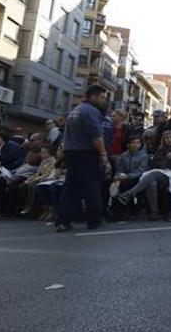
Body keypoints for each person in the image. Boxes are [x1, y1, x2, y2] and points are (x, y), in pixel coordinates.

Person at [56, 85, 111, 232]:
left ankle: (63, 220)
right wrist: (103, 154)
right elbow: (96, 136)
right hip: (86, 153)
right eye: (102, 97)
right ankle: (95, 220)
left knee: (71, 187)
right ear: (93, 96)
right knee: (92, 186)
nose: (104, 101)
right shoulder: (91, 111)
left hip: (72, 152)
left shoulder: (76, 110)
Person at [118, 130, 171, 220]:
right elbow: (155, 163)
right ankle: (154, 211)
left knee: (153, 173)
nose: (169, 140)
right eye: (167, 138)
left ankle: (129, 194)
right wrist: (165, 161)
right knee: (151, 183)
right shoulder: (160, 149)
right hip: (160, 171)